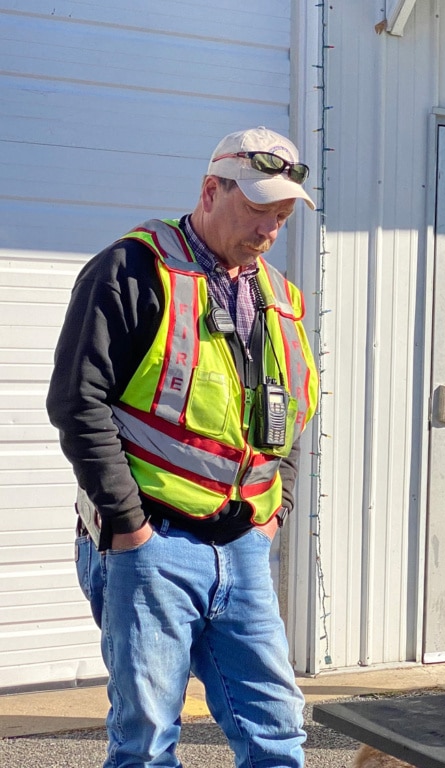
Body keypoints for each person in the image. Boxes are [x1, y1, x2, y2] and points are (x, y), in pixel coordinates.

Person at [47, 126, 319, 768]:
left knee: (278, 733)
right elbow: (76, 401)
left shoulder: (280, 299)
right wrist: (128, 526)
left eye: (281, 216)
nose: (269, 230)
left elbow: (294, 413)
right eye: (257, 209)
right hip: (151, 546)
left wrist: (271, 514)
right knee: (145, 742)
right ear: (210, 189)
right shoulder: (133, 269)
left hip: (244, 546)